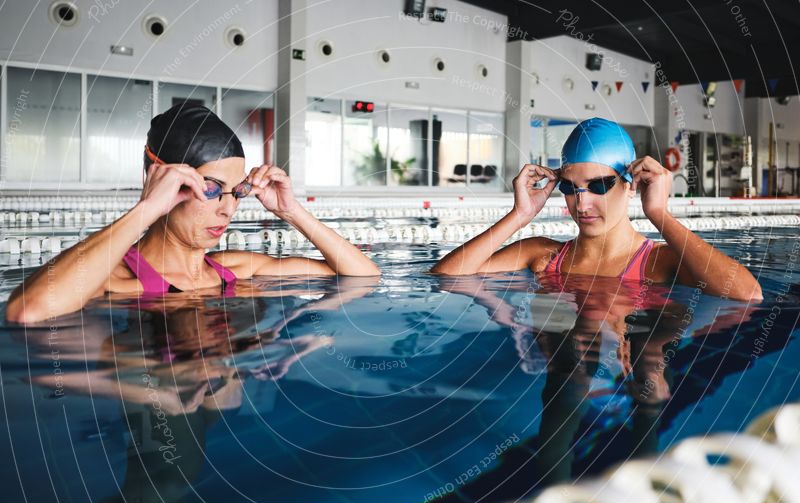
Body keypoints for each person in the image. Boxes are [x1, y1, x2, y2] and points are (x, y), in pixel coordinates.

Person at [5, 103, 380, 323]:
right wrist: (148, 208)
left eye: (237, 192)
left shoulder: (235, 269)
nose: (227, 208)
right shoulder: (113, 281)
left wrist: (293, 211)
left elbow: (363, 275)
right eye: (211, 188)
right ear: (163, 180)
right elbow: (29, 311)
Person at [430, 117, 762, 302]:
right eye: (571, 188)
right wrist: (520, 216)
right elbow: (447, 276)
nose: (582, 204)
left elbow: (748, 294)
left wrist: (659, 214)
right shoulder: (542, 253)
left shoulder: (661, 262)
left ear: (631, 184)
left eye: (600, 185)